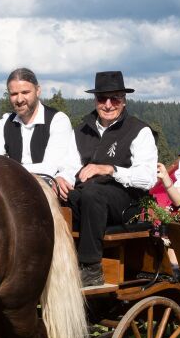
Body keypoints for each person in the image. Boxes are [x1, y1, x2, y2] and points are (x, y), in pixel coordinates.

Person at [67, 71, 159, 287]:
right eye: (102, 99)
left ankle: (91, 268)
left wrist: (111, 169)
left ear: (124, 101)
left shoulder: (139, 130)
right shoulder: (81, 130)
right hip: (84, 196)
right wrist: (61, 179)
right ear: (95, 101)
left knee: (93, 193)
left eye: (115, 98)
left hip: (125, 201)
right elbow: (69, 165)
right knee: (53, 197)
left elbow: (148, 178)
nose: (108, 105)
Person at [0, 68, 81, 193]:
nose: (19, 100)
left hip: (47, 190)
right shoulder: (4, 123)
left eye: (25, 92)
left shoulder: (57, 120)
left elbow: (49, 168)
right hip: (10, 186)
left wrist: (7, 169)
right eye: (14, 94)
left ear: (38, 91)